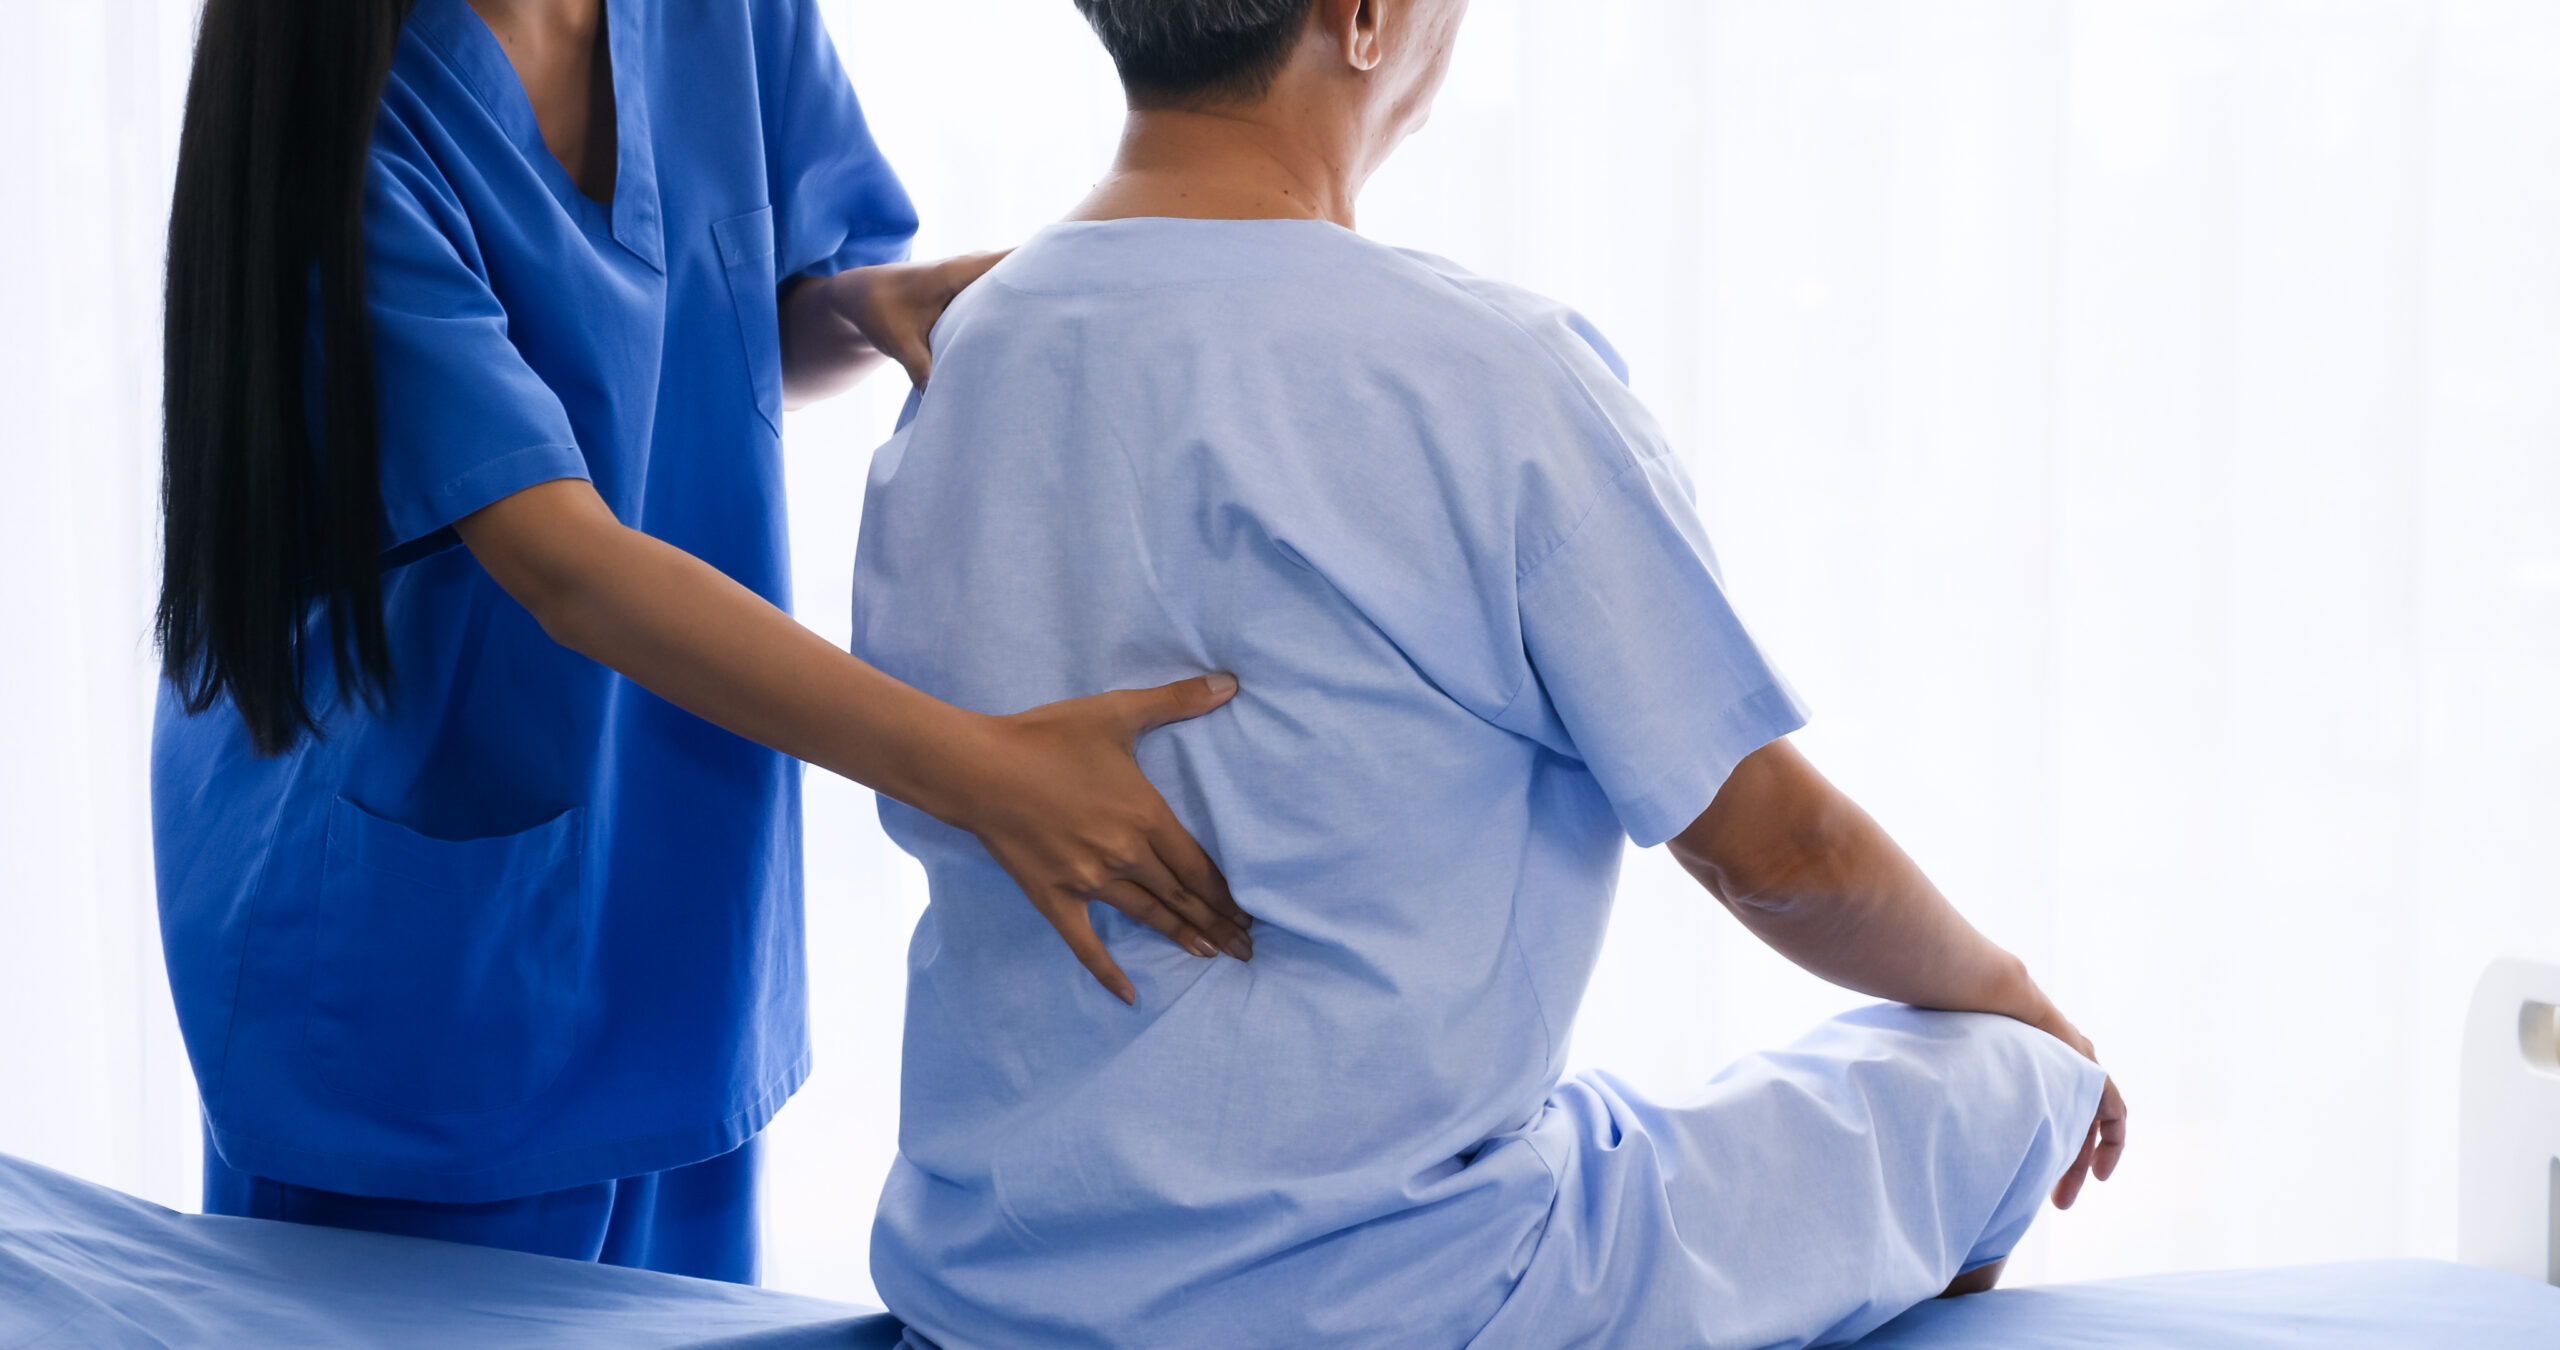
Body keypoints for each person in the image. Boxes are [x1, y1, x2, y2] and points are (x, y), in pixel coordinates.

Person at [848, 0, 2131, 1344]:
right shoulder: (1489, 375)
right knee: (2002, 1075)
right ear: (1361, 18)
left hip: (991, 1286)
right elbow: (1779, 851)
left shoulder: (961, 349)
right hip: (1413, 1296)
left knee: (1625, 1130)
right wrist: (2015, 997)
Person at [152, 0, 1259, 1284]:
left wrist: (860, 304)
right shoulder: (351, 119)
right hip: (414, 960)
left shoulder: (725, 17)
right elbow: (560, 561)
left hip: (676, 901)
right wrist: (985, 774)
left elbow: (735, 306)